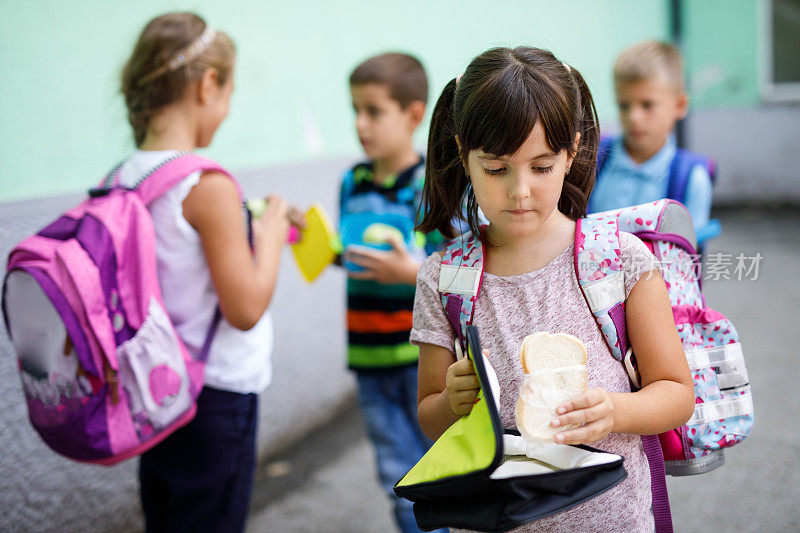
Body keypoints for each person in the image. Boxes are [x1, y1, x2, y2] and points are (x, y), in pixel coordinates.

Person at [412, 46, 695, 532]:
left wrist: (616, 410)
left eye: (541, 167)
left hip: (614, 520)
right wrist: (451, 403)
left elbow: (676, 393)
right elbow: (430, 416)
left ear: (573, 152)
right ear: (463, 154)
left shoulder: (621, 260)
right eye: (496, 169)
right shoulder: (444, 278)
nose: (519, 190)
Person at [118, 12, 299, 532]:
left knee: (168, 516)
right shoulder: (207, 184)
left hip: (152, 388)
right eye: (229, 93)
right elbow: (243, 309)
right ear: (208, 84)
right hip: (213, 395)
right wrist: (265, 236)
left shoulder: (124, 176)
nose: (225, 109)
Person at [338, 52, 445, 533]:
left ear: (414, 115)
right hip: (367, 355)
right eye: (355, 110)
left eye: (374, 111)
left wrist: (412, 272)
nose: (361, 124)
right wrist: (313, 241)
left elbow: (453, 271)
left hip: (420, 358)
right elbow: (349, 252)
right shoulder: (352, 181)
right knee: (397, 475)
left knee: (438, 468)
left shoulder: (430, 186)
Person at [588, 40, 714, 236]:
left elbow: (687, 260)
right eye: (624, 106)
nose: (634, 117)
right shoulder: (593, 159)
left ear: (680, 105)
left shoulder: (692, 179)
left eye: (647, 105)